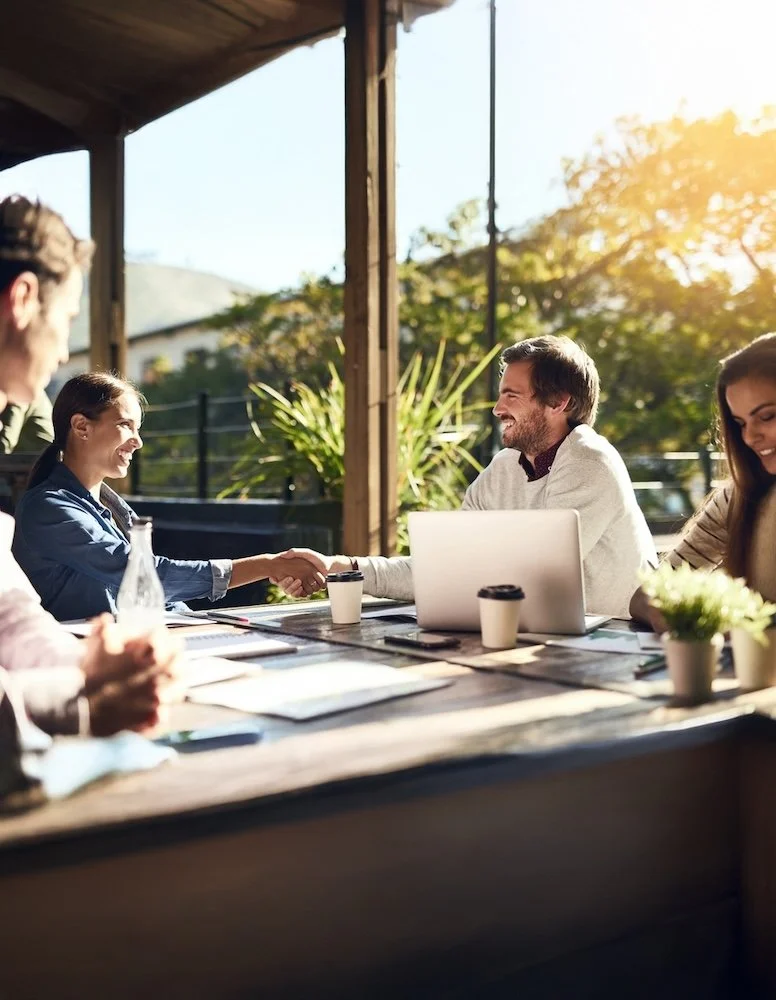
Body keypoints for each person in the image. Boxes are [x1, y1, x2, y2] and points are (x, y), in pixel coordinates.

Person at [278, 335, 657, 618]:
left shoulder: (590, 461)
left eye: (512, 396)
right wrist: (341, 568)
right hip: (531, 637)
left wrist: (458, 576)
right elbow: (446, 568)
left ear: (558, 402)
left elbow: (535, 577)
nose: (497, 409)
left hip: (614, 642)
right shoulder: (502, 470)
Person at [0, 194, 177, 737]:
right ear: (24, 299)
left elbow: (9, 615)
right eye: (66, 320)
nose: (60, 354)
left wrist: (90, 671)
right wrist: (80, 700)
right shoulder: (52, 503)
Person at [13, 371, 324, 621]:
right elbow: (143, 576)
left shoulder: (114, 510)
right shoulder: (48, 508)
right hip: (90, 665)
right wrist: (266, 565)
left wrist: (213, 622)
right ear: (81, 426)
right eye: (125, 425)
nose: (137, 441)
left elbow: (154, 599)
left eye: (138, 428)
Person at [630, 333, 776, 632]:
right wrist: (691, 621)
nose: (749, 437)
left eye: (767, 416)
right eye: (740, 424)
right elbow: (648, 594)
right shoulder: (737, 499)